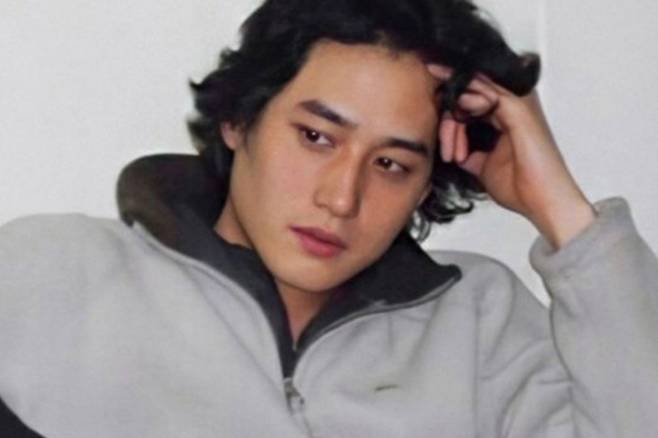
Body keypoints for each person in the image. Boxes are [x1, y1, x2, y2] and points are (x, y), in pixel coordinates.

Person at [1, 0, 656, 437]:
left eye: (392, 164)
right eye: (316, 137)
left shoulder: (483, 325)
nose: (342, 198)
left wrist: (563, 211)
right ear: (239, 119)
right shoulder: (50, 273)